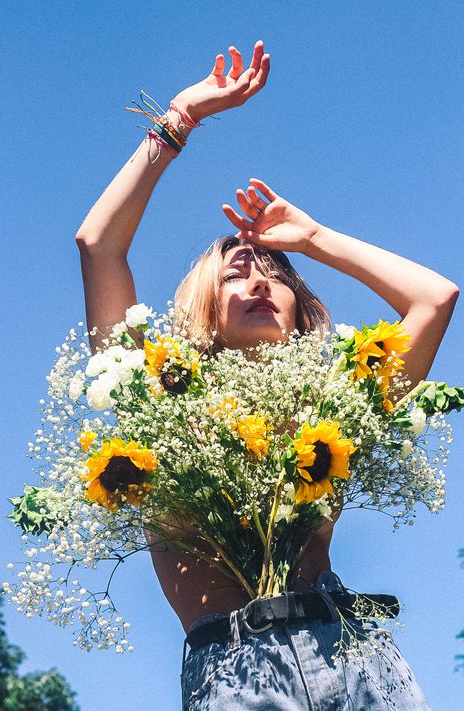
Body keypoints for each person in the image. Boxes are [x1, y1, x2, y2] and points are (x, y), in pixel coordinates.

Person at [76, 41, 459, 710]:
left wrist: (312, 239)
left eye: (276, 276)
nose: (258, 282)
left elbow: (435, 297)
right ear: (204, 307)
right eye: (235, 273)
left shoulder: (336, 409)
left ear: (300, 310)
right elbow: (98, 244)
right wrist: (180, 119)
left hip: (357, 657)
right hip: (236, 673)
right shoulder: (154, 401)